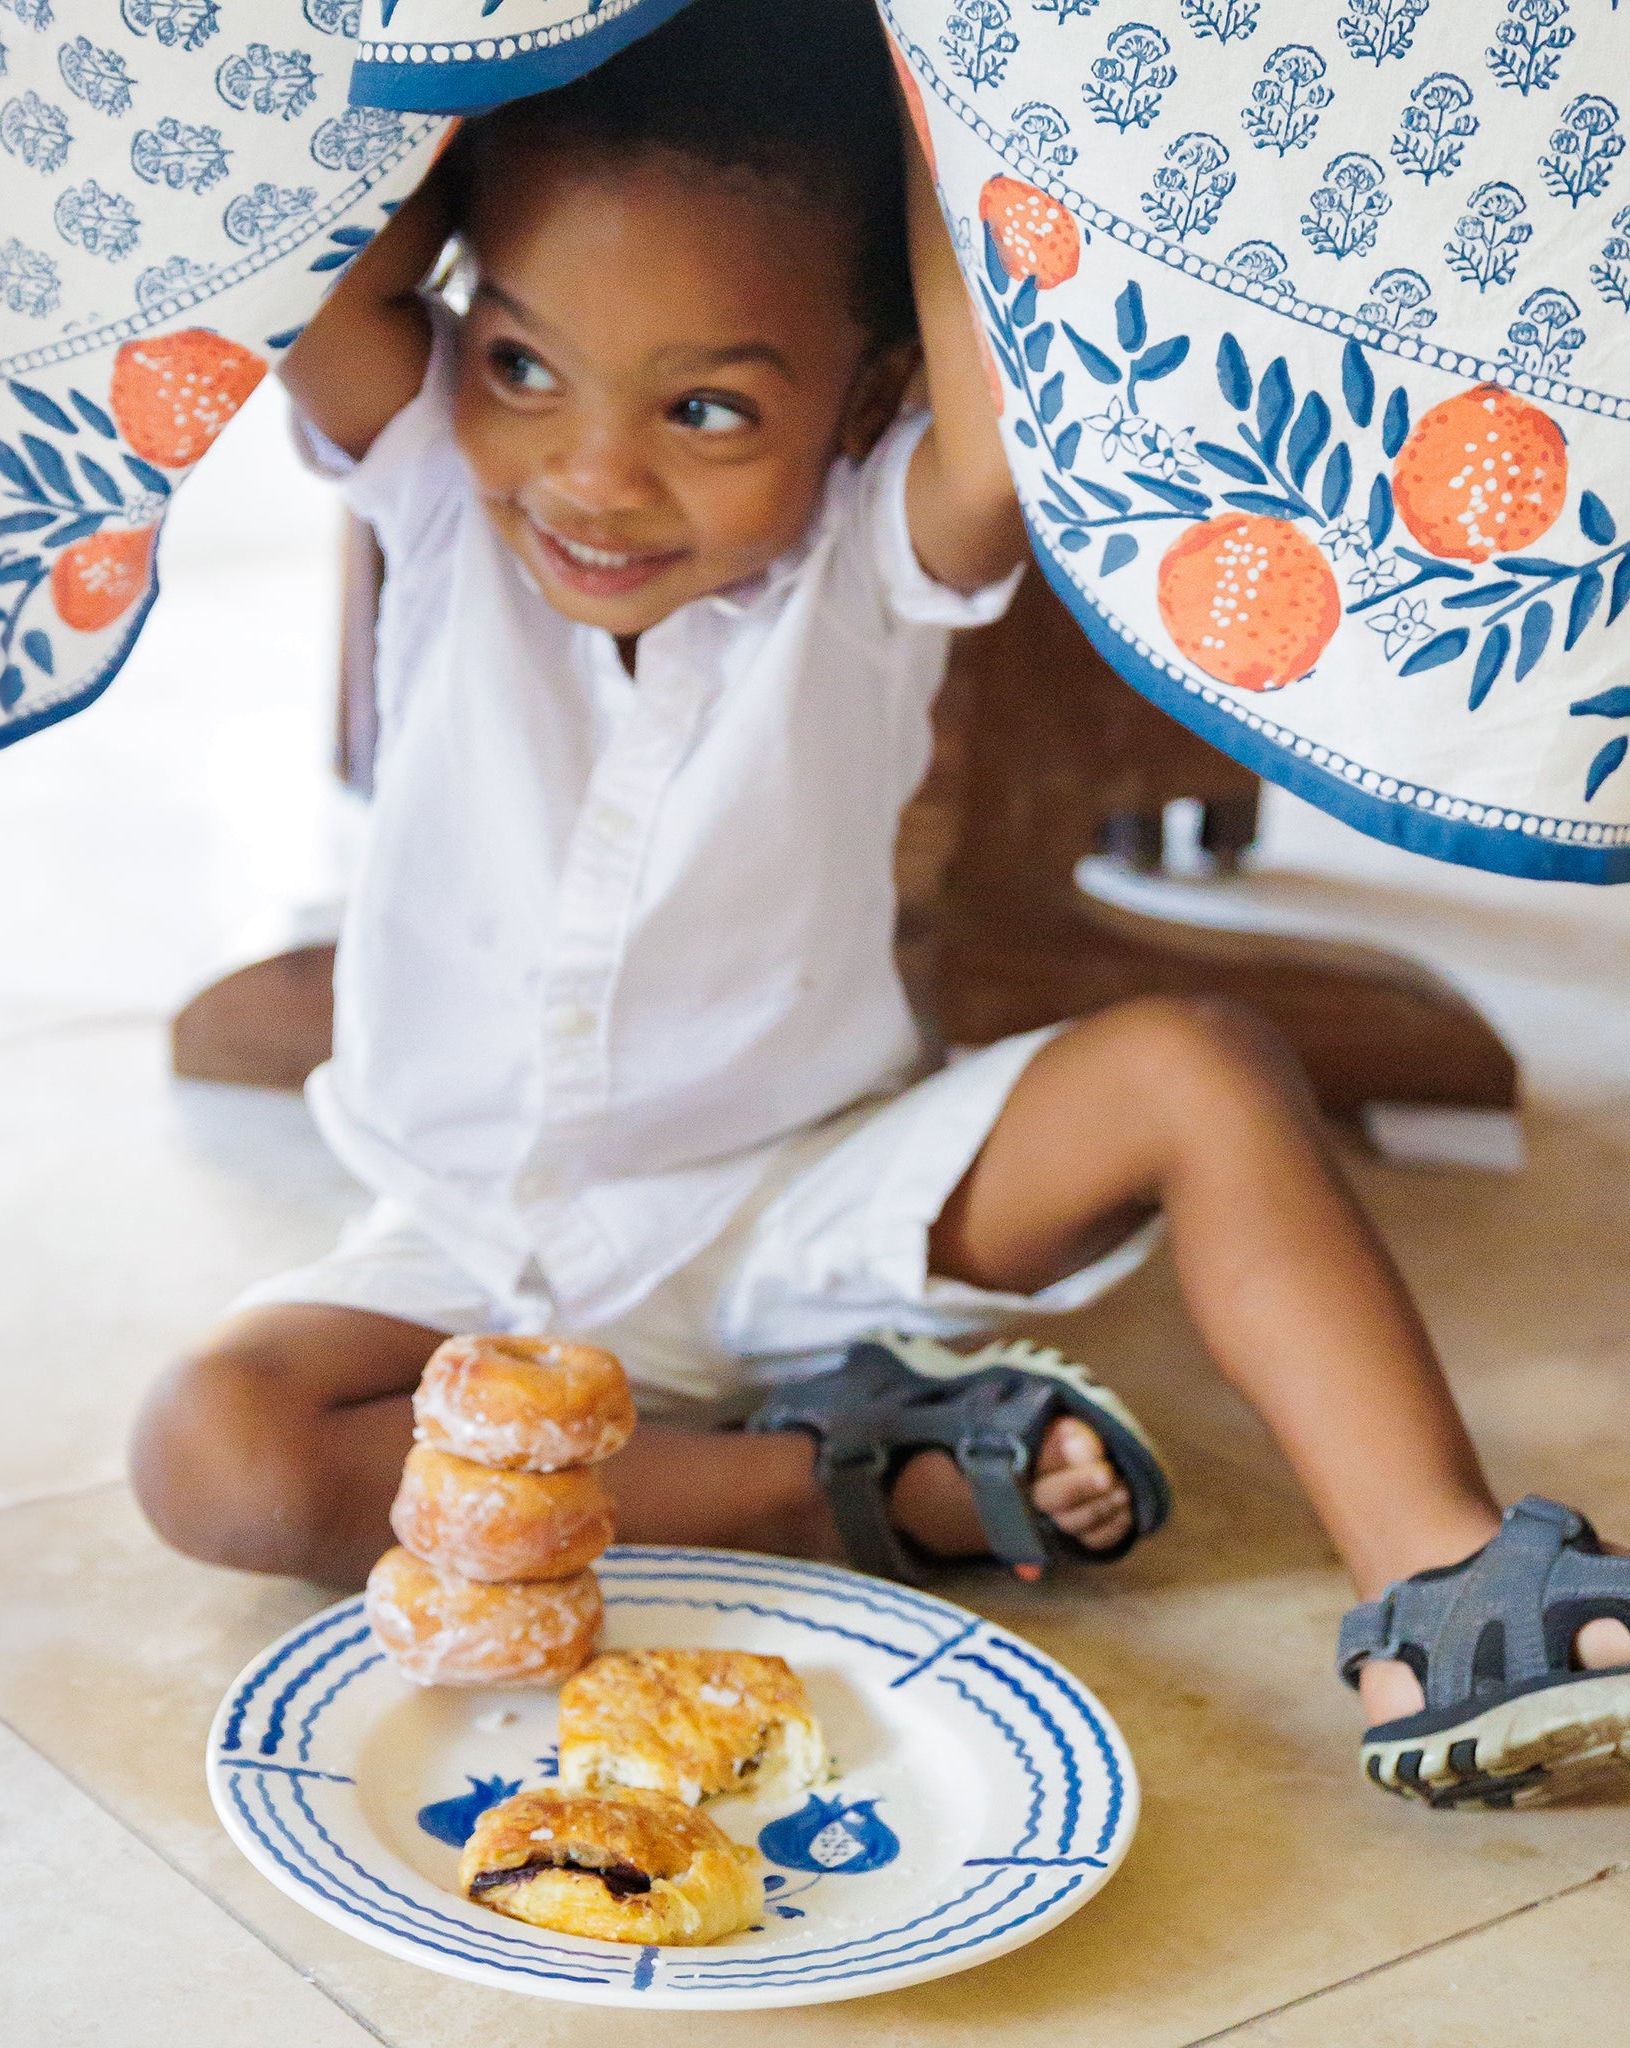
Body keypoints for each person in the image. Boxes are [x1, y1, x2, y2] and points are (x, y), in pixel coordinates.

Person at [129, 0, 1630, 1803]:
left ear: (871, 394)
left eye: (704, 408)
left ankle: (1442, 1580)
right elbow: (327, 238)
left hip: (801, 1214)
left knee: (1202, 1067)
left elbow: (991, 421)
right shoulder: (441, 496)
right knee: (212, 1457)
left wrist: (939, 60)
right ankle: (850, 1479)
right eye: (527, 367)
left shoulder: (874, 557)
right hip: (455, 1245)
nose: (595, 477)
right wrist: (486, 65)